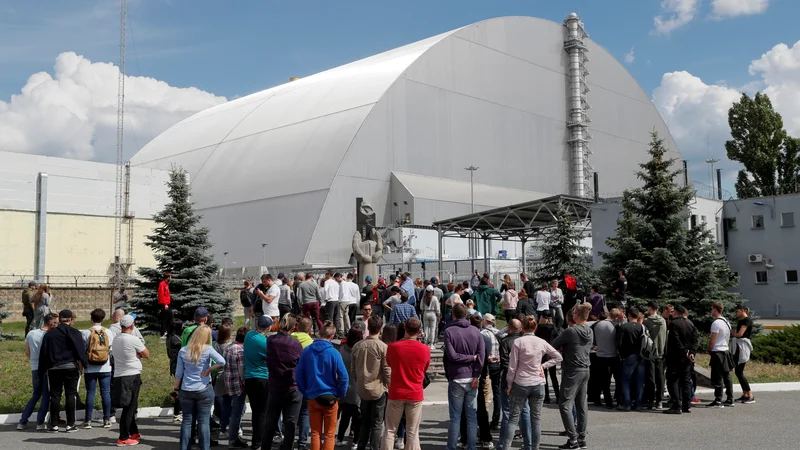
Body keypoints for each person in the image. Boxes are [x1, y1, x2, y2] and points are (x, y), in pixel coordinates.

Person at [502, 316, 563, 450]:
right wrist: (544, 365)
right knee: (536, 419)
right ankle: (534, 448)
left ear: (522, 328)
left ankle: (506, 447)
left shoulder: (518, 342)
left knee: (513, 418)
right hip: (538, 383)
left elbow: (512, 367)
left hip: (521, 382)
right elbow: (558, 356)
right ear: (535, 327)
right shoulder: (541, 342)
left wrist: (509, 384)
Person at [296, 321, 349, 450]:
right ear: (332, 336)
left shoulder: (307, 351)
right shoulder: (334, 353)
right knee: (329, 435)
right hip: (330, 396)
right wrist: (340, 393)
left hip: (313, 395)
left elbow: (298, 375)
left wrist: (305, 392)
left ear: (319, 333)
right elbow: (344, 376)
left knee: (315, 433)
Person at [382, 317, 430, 450]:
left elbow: (389, 363)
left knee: (390, 430)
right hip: (415, 392)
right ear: (419, 331)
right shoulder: (425, 349)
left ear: (404, 327)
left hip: (397, 391)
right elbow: (424, 368)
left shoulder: (393, 347)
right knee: (413, 432)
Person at [175, 325, 225, 450]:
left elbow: (179, 373)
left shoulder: (183, 350)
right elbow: (222, 361)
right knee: (203, 422)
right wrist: (209, 370)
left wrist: (176, 389)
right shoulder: (208, 349)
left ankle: (185, 447)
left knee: (187, 421)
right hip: (204, 389)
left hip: (186, 389)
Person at [38, 309, 88, 433]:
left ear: (59, 319)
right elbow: (80, 350)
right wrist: (84, 365)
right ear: (71, 320)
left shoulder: (49, 334)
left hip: (54, 368)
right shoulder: (74, 332)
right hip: (71, 367)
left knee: (55, 395)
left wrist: (42, 370)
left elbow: (44, 353)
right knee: (71, 395)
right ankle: (70, 424)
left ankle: (53, 424)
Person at [444, 303, 485, 450]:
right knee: (472, 417)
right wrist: (476, 374)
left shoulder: (448, 331)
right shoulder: (476, 331)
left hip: (456, 376)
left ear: (453, 315)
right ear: (466, 314)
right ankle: (472, 447)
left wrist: (470, 359)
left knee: (455, 417)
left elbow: (453, 356)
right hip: (472, 376)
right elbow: (481, 356)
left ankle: (451, 447)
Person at [551, 304, 593, 450]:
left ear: (576, 316)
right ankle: (581, 438)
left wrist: (564, 347)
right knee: (581, 404)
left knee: (565, 404)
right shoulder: (589, 330)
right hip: (585, 369)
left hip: (572, 370)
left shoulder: (570, 331)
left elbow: (553, 345)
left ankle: (573, 440)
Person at [262, 315, 304, 450]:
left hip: (275, 385)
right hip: (292, 386)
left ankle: (265, 447)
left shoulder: (271, 340)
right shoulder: (295, 344)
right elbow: (301, 363)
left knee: (271, 421)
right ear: (293, 327)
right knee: (290, 423)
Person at [352, 315, 391, 450]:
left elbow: (353, 369)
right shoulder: (383, 347)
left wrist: (358, 382)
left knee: (364, 420)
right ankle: (374, 447)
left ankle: (361, 445)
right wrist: (388, 387)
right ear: (380, 329)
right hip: (378, 389)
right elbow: (386, 370)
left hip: (362, 388)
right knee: (377, 423)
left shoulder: (357, 346)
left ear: (368, 327)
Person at [112, 314, 149, 446]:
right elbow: (146, 354)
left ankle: (134, 431)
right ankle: (123, 437)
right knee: (130, 406)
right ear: (132, 326)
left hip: (119, 374)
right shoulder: (133, 339)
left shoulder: (116, 339)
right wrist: (137, 354)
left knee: (130, 405)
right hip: (131, 375)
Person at [17, 312, 57, 431]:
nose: (57, 324)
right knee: (46, 395)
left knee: (36, 394)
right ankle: (40, 422)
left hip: (34, 367)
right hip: (45, 368)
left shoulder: (31, 333)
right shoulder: (49, 336)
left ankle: (23, 420)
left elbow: (27, 352)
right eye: (56, 322)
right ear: (51, 323)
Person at [497, 319, 530, 450]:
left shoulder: (505, 342)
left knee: (507, 412)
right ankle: (528, 442)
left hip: (509, 378)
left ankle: (502, 444)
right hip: (524, 378)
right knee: (525, 411)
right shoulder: (524, 341)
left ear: (509, 328)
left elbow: (504, 362)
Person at [81, 308, 114, 429]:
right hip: (105, 367)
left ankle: (88, 420)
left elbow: (84, 348)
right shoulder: (108, 332)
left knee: (90, 393)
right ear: (103, 319)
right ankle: (107, 419)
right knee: (105, 392)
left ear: (91, 319)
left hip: (90, 367)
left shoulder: (86, 333)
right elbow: (111, 349)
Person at [663, 304, 698, 415]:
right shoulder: (690, 323)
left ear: (676, 312)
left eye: (673, 311)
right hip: (687, 358)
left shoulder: (674, 324)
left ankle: (676, 405)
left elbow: (676, 340)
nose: (672, 313)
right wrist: (692, 352)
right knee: (686, 381)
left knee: (672, 380)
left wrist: (684, 351)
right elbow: (695, 339)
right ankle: (687, 405)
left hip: (676, 357)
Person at [244, 315, 272, 449]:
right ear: (269, 327)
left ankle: (256, 441)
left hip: (249, 377)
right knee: (262, 413)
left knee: (256, 412)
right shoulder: (265, 342)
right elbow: (271, 359)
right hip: (262, 378)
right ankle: (258, 442)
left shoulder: (249, 335)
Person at [336, 327, 363, 449]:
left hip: (344, 387)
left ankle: (340, 438)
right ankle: (355, 442)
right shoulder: (359, 351)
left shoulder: (342, 350)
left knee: (345, 416)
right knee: (357, 418)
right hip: (357, 387)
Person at [224, 327, 250, 448]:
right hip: (238, 385)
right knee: (237, 413)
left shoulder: (228, 347)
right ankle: (233, 439)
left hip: (229, 383)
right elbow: (241, 370)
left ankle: (234, 437)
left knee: (237, 410)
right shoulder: (241, 351)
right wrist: (245, 382)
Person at [616, 308, 646, 411]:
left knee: (625, 380)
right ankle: (638, 404)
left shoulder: (623, 327)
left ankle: (627, 403)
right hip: (641, 356)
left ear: (628, 315)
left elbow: (619, 344)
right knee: (639, 381)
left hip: (628, 356)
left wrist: (621, 354)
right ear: (638, 316)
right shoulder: (641, 327)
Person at [707, 301, 735, 408]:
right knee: (727, 376)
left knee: (717, 376)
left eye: (712, 308)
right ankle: (730, 398)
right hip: (725, 350)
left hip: (718, 351)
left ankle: (718, 400)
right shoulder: (726, 322)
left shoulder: (716, 323)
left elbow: (713, 339)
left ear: (715, 309)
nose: (711, 310)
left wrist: (709, 349)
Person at [592, 309, 620, 409]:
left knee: (602, 380)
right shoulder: (615, 325)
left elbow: (591, 338)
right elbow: (618, 340)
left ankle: (601, 400)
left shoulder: (596, 325)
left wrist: (595, 345)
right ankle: (617, 400)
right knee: (616, 379)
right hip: (613, 355)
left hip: (600, 355)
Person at [643, 301, 667, 410]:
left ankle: (650, 400)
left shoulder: (647, 321)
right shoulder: (663, 321)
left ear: (650, 308)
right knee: (660, 377)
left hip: (650, 352)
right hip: (661, 352)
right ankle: (659, 400)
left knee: (650, 377)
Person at [213, 324, 235, 441]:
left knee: (225, 403)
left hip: (218, 376)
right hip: (229, 375)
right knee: (232, 405)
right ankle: (231, 427)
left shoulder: (215, 345)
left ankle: (223, 427)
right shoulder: (229, 346)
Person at [481, 314, 502, 431]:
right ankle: (496, 419)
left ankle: (484, 418)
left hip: (488, 364)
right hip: (498, 364)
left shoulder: (483, 334)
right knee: (497, 392)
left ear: (485, 321)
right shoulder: (499, 333)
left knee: (485, 393)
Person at [534, 314, 561, 404]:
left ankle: (546, 397)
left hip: (542, 353)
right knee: (553, 376)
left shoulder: (539, 328)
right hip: (551, 352)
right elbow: (558, 337)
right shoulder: (553, 328)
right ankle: (558, 396)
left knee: (543, 375)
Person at [732, 305, 755, 404]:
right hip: (738, 346)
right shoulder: (740, 320)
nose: (736, 313)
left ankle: (750, 395)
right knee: (737, 372)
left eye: (737, 311)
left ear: (742, 310)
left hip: (743, 347)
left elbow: (740, 334)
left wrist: (732, 333)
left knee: (740, 372)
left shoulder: (747, 320)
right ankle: (745, 394)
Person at [166, 318, 184, 423]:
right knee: (179, 390)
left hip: (175, 365)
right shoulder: (175, 339)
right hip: (177, 365)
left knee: (180, 389)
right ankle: (177, 413)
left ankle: (179, 410)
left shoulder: (171, 337)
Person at [159, 271, 173, 338]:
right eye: (170, 277)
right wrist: (165, 304)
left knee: (170, 317)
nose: (171, 278)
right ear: (167, 277)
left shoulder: (167, 284)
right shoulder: (162, 284)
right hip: (165, 304)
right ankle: (163, 333)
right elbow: (161, 295)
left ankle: (167, 331)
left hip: (168, 303)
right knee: (164, 318)